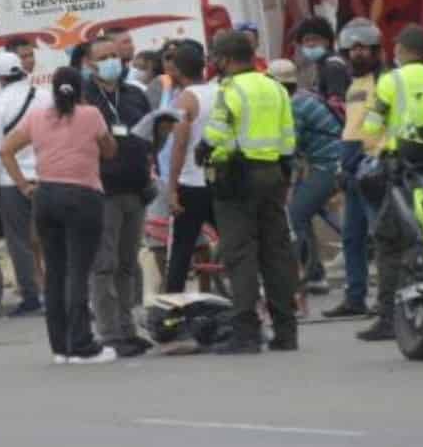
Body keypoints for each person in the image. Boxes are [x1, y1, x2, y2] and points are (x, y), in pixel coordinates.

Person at [0, 67, 118, 364]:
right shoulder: (91, 115)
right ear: (80, 90)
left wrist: (24, 185)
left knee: (55, 271)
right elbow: (109, 151)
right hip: (83, 196)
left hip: (46, 197)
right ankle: (82, 344)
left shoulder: (38, 116)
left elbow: (5, 150)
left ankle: (60, 347)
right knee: (78, 270)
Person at [199, 32, 298, 354]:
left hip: (237, 178)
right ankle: (286, 331)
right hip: (273, 174)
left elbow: (217, 133)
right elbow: (287, 137)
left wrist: (204, 149)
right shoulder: (275, 87)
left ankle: (247, 331)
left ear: (226, 60)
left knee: (240, 255)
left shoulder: (230, 90)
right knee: (276, 253)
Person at [358, 23, 423, 341]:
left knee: (388, 239)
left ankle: (389, 317)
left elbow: (371, 125)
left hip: (403, 169)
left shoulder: (390, 81)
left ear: (403, 50)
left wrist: (374, 152)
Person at [82, 36, 154, 357]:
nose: (113, 61)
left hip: (136, 188)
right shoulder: (85, 100)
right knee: (104, 265)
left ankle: (128, 329)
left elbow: (152, 131)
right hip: (103, 190)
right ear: (90, 64)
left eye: (115, 55)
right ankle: (109, 333)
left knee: (128, 264)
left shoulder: (135, 94)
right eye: (104, 56)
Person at [0, 51, 51, 317]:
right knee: (49, 238)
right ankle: (56, 290)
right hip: (47, 176)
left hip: (12, 183)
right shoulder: (46, 97)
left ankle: (31, 297)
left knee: (20, 242)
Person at [267, 59, 343, 296]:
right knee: (308, 207)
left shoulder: (293, 106)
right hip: (332, 161)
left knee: (297, 213)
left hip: (329, 165)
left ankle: (310, 275)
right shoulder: (303, 96)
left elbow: (290, 146)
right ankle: (316, 271)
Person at [324, 18, 384, 318]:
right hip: (351, 167)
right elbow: (350, 126)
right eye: (352, 49)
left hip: (373, 166)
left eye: (363, 49)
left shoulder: (385, 81)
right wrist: (342, 164)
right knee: (352, 236)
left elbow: (374, 129)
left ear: (375, 50)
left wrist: (362, 159)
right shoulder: (353, 85)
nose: (357, 55)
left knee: (382, 235)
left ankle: (387, 299)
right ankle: (355, 296)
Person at [164, 44, 217, 293]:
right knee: (239, 243)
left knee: (181, 252)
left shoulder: (184, 99)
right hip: (220, 181)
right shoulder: (221, 92)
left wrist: (172, 188)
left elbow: (180, 145)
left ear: (177, 70)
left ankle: (172, 309)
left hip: (192, 184)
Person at [293, 16, 350, 107]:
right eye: (306, 40)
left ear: (327, 41)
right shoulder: (320, 64)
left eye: (315, 39)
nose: (311, 44)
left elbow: (337, 104)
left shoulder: (333, 66)